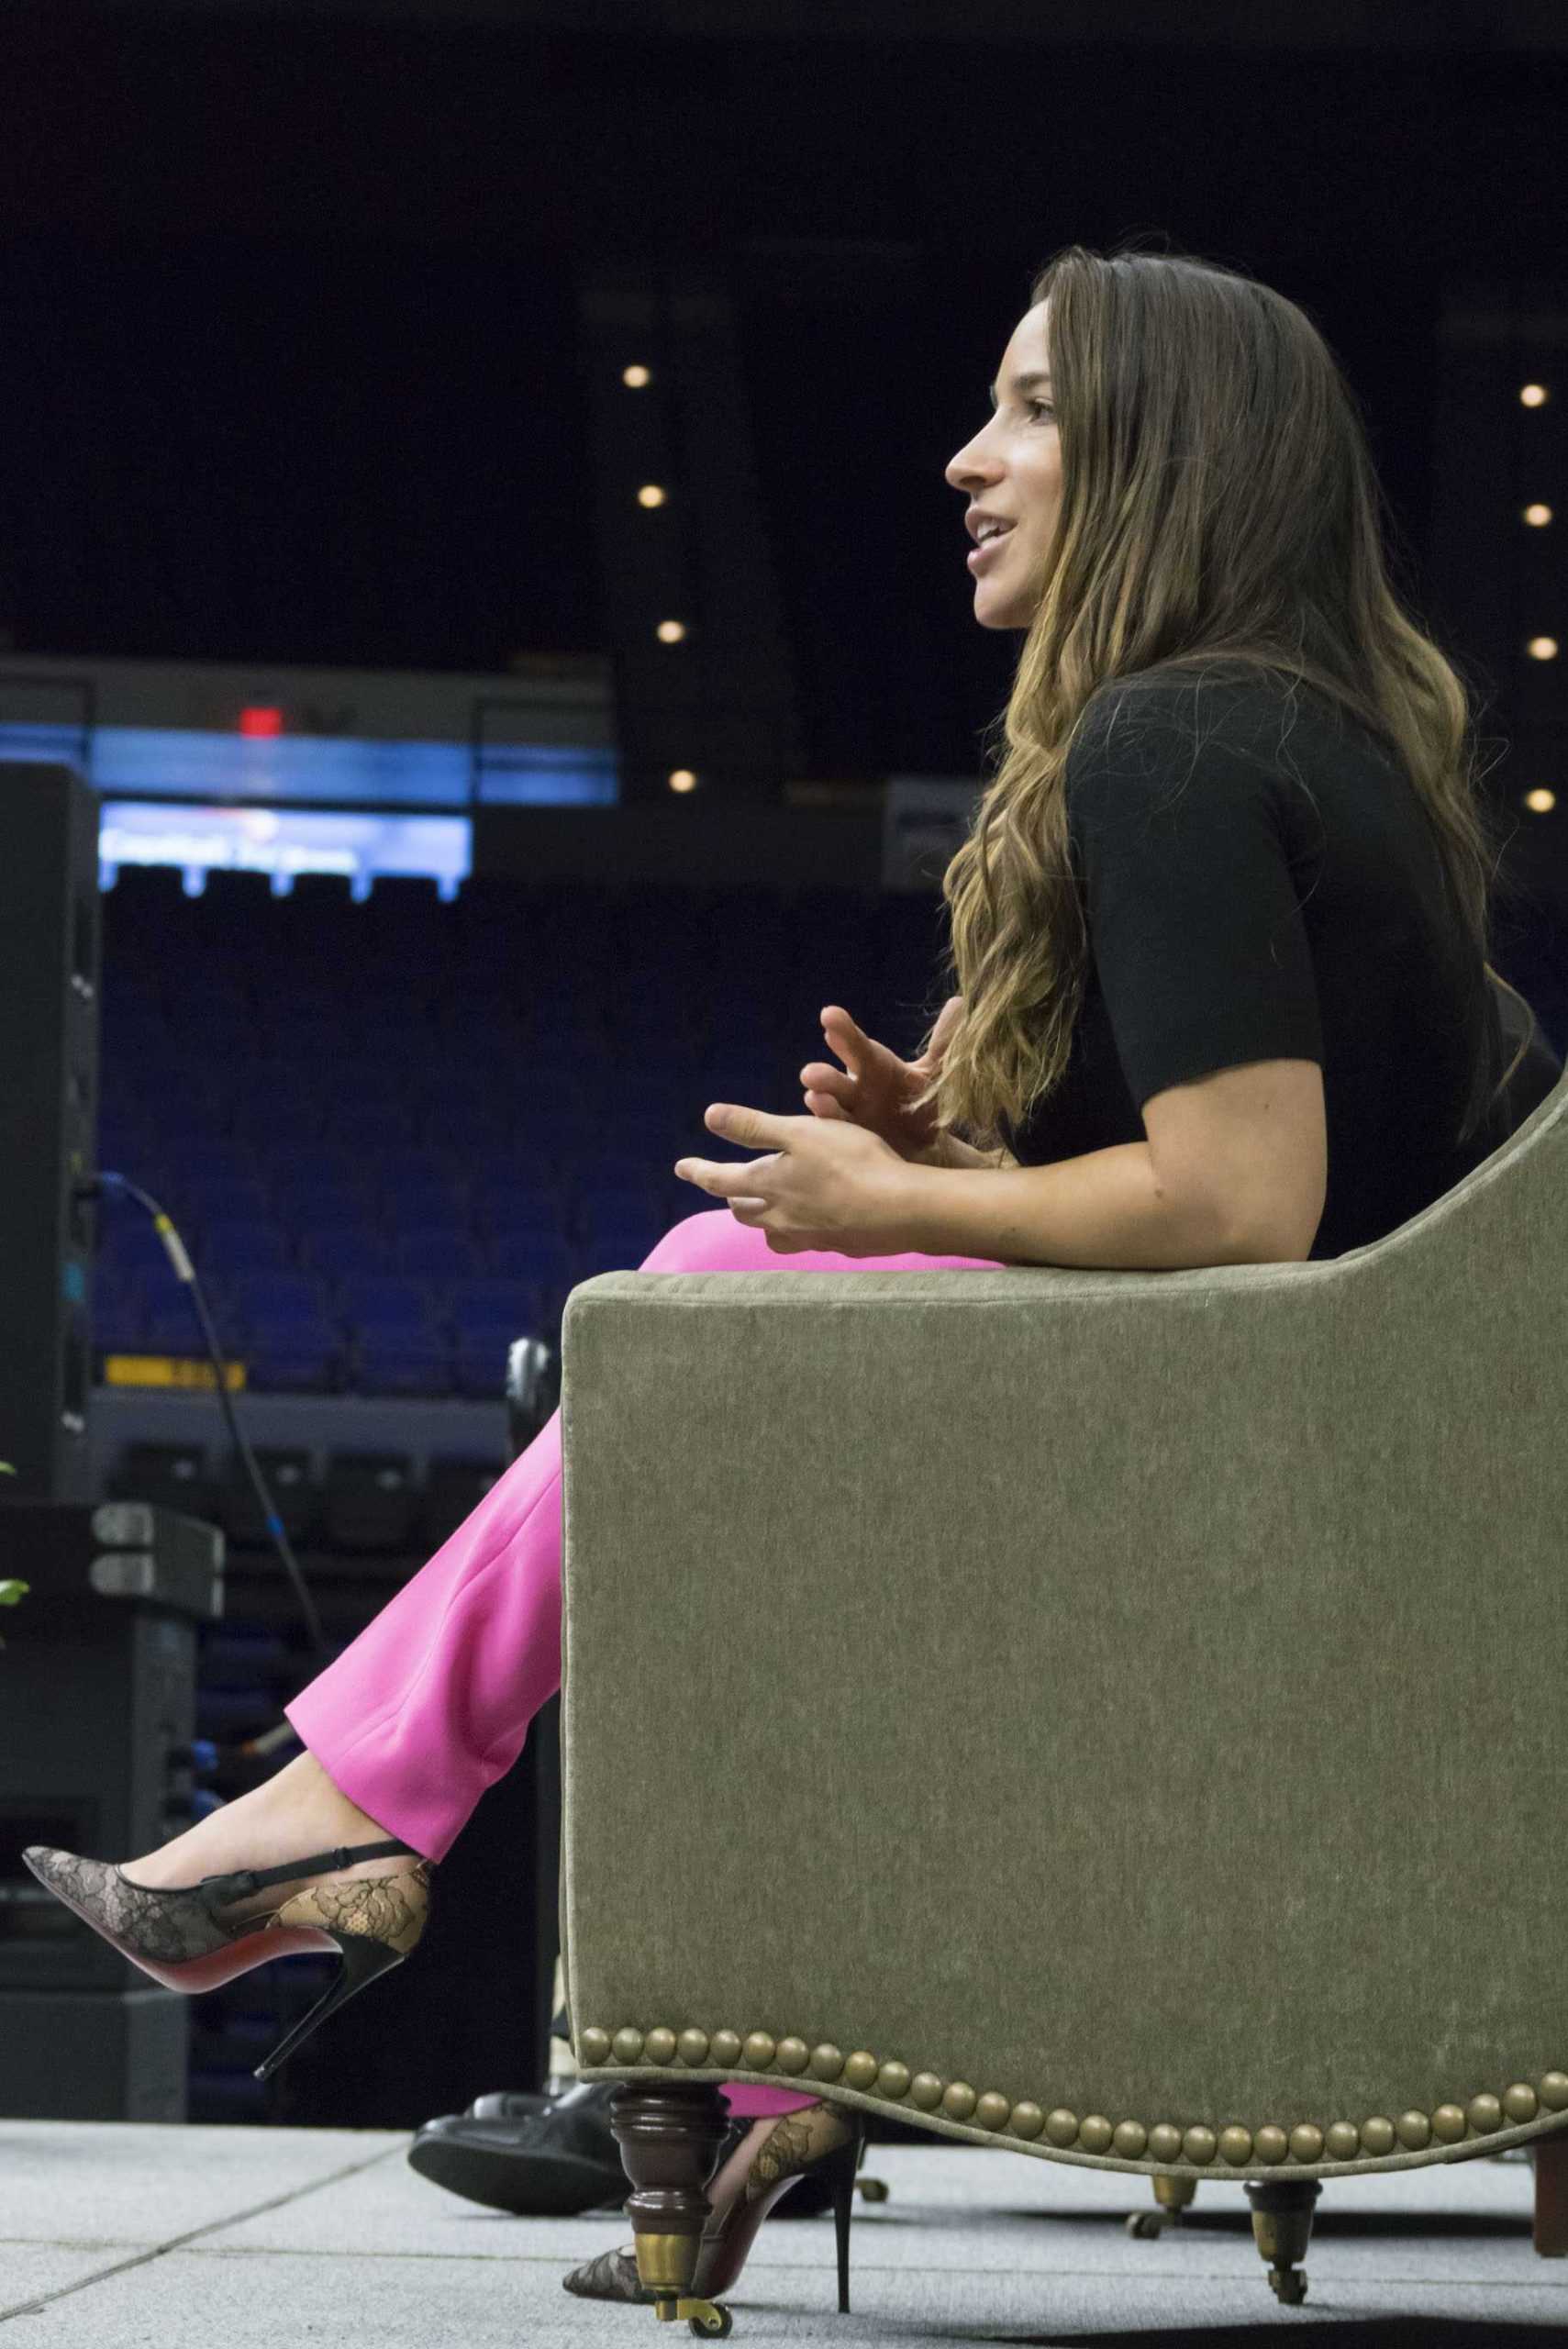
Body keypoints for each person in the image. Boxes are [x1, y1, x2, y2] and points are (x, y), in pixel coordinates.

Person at [27, 239, 1557, 2308]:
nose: (967, 456)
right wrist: (956, 1168)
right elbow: (1292, 1195)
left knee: (701, 1312)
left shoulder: (1175, 746)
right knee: (715, 1293)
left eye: (1030, 407)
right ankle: (683, 2029)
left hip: (1301, 1497)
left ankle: (365, 1828)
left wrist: (899, 1205)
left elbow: (1244, 1200)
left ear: (1165, 458)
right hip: (1364, 1469)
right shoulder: (1296, 729)